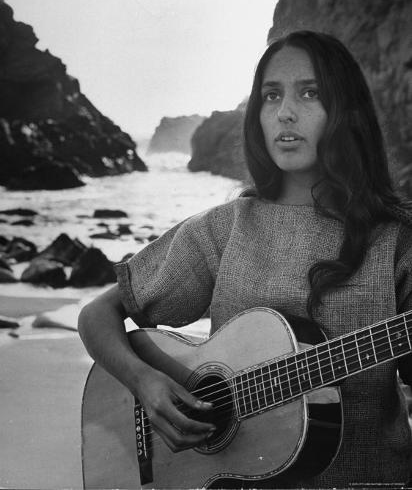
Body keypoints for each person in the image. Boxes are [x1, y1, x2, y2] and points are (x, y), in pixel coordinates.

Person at [78, 30, 412, 487]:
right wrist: (144, 382)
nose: (285, 112)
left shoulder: (395, 240)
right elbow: (98, 314)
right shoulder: (226, 228)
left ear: (346, 111)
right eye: (271, 95)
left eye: (310, 93)